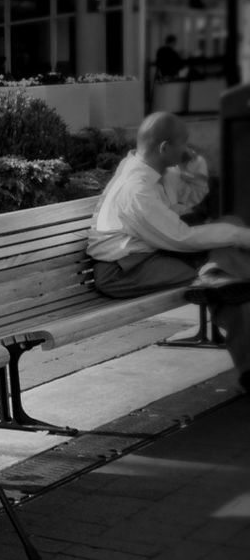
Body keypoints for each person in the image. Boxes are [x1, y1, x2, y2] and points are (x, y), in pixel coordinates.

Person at [88, 111, 250, 394]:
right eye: (183, 144)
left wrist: (192, 164)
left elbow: (191, 200)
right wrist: (237, 236)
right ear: (164, 148)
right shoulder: (136, 190)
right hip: (124, 270)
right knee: (232, 271)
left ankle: (215, 275)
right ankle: (215, 277)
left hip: (153, 252)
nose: (187, 149)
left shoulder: (157, 170)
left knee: (230, 269)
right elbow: (180, 237)